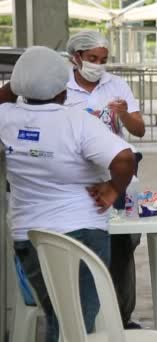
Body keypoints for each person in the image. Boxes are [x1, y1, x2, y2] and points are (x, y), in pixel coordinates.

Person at [0, 46, 135, 342]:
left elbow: (4, 97)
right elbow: (125, 159)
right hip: (81, 235)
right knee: (77, 323)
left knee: (58, 315)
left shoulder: (6, 117)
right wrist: (113, 189)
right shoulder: (77, 121)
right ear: (63, 89)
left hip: (30, 237)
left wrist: (20, 81)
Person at [65, 30, 145, 330]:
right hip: (78, 176)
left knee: (125, 242)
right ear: (76, 57)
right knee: (84, 241)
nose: (98, 65)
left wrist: (124, 114)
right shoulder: (62, 88)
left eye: (103, 60)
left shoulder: (116, 85)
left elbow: (139, 131)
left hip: (120, 173)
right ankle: (85, 315)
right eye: (92, 59)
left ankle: (121, 316)